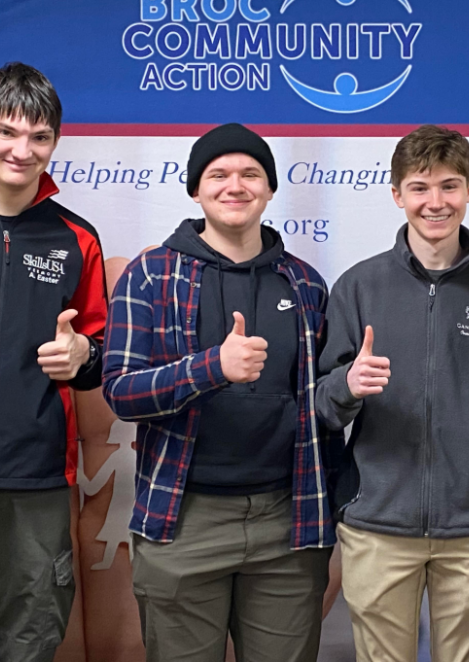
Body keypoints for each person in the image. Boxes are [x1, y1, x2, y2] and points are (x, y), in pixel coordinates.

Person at [102, 123, 343, 662]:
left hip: (288, 522)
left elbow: (318, 401)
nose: (236, 185)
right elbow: (120, 391)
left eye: (250, 173)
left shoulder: (305, 284)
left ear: (270, 189)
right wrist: (212, 367)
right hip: (183, 521)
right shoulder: (150, 275)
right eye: (219, 174)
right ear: (195, 189)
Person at [317, 124, 469, 662]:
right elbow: (320, 406)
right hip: (377, 524)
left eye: (449, 185)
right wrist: (346, 386)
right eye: (420, 188)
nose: (436, 202)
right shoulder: (359, 286)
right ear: (397, 194)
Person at [0, 62, 108, 662]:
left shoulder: (76, 239)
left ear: (54, 143)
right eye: (7, 132)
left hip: (33, 477)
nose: (22, 150)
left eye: (38, 137)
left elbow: (98, 356)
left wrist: (85, 354)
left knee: (32, 636)